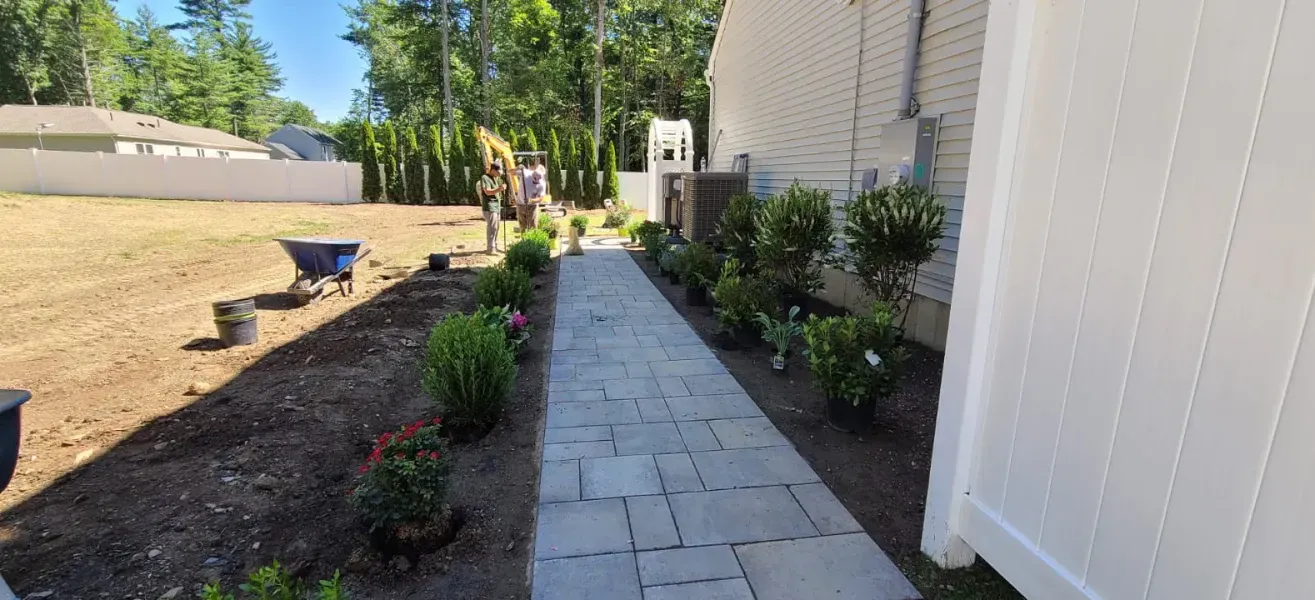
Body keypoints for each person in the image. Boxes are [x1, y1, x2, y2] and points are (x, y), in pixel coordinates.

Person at [477, 161, 506, 254]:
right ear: (493, 170)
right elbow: (487, 192)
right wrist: (499, 189)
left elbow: (499, 188)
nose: (499, 174)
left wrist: (502, 187)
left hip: (497, 206)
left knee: (496, 227)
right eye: (498, 172)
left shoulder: (496, 178)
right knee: (492, 227)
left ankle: (494, 246)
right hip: (489, 206)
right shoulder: (485, 178)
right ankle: (490, 248)